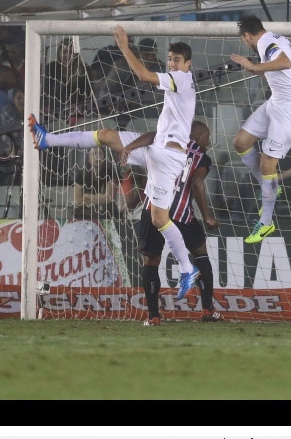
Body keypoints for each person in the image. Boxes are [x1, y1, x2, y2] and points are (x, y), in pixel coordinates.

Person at [29, 25, 199, 300]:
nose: (172, 63)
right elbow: (158, 132)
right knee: (106, 135)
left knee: (159, 218)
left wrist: (124, 47)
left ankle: (187, 269)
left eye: (177, 60)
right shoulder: (173, 91)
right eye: (170, 59)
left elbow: (143, 75)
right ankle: (47, 140)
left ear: (188, 64)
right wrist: (132, 145)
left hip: (169, 161)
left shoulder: (182, 80)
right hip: (156, 149)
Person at [132, 121, 221, 326]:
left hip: (152, 208)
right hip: (180, 214)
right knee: (200, 252)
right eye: (207, 138)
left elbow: (150, 137)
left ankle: (154, 316)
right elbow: (197, 183)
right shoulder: (201, 156)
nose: (207, 143)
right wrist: (206, 215)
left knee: (151, 261)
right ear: (198, 137)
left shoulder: (165, 143)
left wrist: (129, 147)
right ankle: (208, 309)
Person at [230, 15, 291, 244]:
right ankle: (270, 188)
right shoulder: (272, 39)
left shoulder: (265, 42)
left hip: (289, 109)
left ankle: (266, 223)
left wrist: (253, 65)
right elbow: (279, 70)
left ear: (247, 36)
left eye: (244, 39)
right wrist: (259, 71)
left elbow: (285, 62)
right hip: (276, 101)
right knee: (241, 142)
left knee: (267, 164)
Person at [73, 147, 119, 220]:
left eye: (100, 154)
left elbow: (109, 198)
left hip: (107, 215)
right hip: (84, 215)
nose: (98, 157)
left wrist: (87, 196)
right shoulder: (81, 174)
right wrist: (100, 198)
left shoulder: (110, 173)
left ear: (104, 157)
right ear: (88, 158)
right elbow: (77, 200)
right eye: (94, 154)